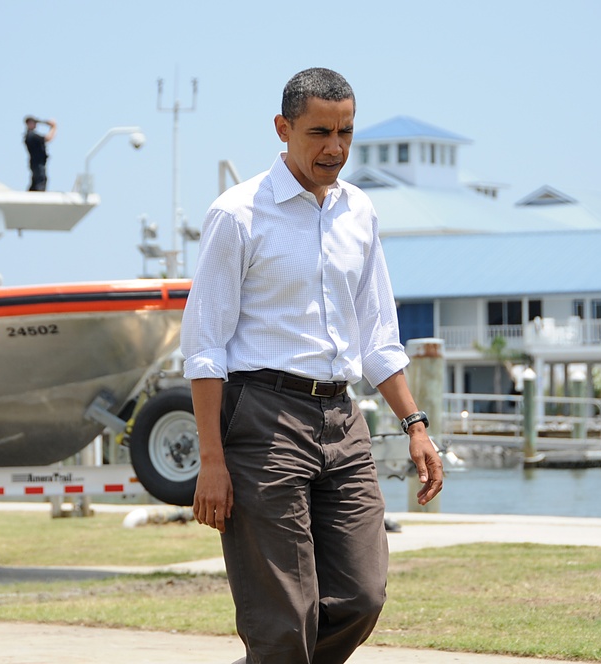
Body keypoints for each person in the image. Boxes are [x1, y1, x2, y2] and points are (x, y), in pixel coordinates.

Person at [180, 67, 444, 664]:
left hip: (342, 417)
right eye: (319, 131)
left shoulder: (360, 213)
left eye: (346, 131)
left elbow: (379, 335)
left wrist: (416, 426)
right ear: (283, 128)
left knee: (361, 595)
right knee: (284, 616)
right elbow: (204, 345)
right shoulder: (238, 214)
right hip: (262, 418)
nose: (335, 147)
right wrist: (212, 461)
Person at [23, 115, 57, 191]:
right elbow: (48, 138)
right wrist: (54, 127)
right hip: (37, 163)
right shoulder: (31, 136)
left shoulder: (30, 135)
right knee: (40, 181)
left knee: (35, 183)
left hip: (36, 163)